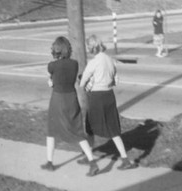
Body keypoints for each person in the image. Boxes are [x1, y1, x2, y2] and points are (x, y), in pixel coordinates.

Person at [42, 36, 100, 177]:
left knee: (51, 130)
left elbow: (52, 79)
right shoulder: (74, 64)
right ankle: (92, 162)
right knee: (77, 131)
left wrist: (51, 82)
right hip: (72, 99)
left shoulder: (52, 66)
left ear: (56, 51)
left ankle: (50, 163)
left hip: (57, 99)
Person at [79, 35, 138, 170]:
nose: (88, 50)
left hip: (96, 97)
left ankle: (88, 157)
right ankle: (125, 159)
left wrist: (86, 81)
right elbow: (116, 81)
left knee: (90, 129)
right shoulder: (110, 60)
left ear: (92, 48)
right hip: (109, 96)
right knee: (113, 129)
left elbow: (82, 83)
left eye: (88, 47)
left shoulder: (93, 63)